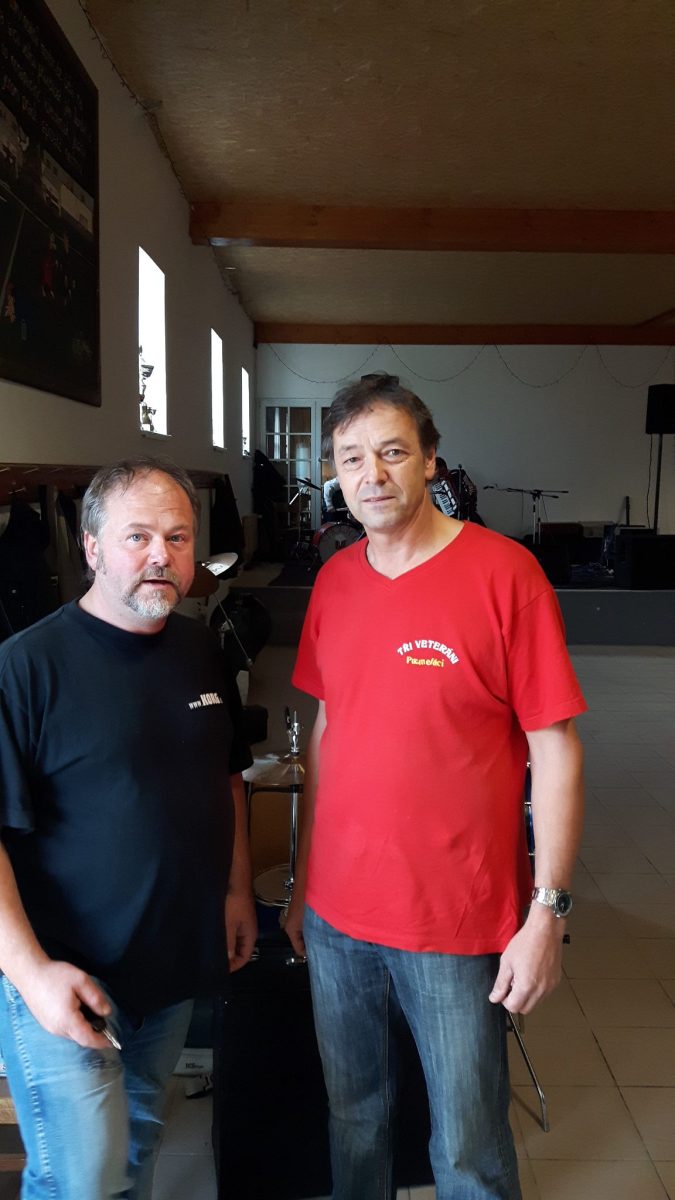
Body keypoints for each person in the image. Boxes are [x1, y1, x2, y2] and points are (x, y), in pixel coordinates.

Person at [285, 374, 585, 1200]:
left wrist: (547, 913)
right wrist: (302, 882)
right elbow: (326, 731)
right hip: (337, 917)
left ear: (429, 462)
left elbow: (554, 750)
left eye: (391, 452)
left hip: (454, 917)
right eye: (351, 458)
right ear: (335, 472)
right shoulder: (335, 581)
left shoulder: (504, 574)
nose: (371, 474)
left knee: (466, 1147)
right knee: (354, 1122)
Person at [0, 457, 257, 1199]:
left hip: (170, 967)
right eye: (137, 536)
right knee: (80, 1179)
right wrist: (32, 975)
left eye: (177, 538)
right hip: (66, 974)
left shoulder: (199, 649)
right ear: (91, 547)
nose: (160, 555)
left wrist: (237, 891)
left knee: (136, 1151)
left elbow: (226, 778)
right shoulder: (26, 667)